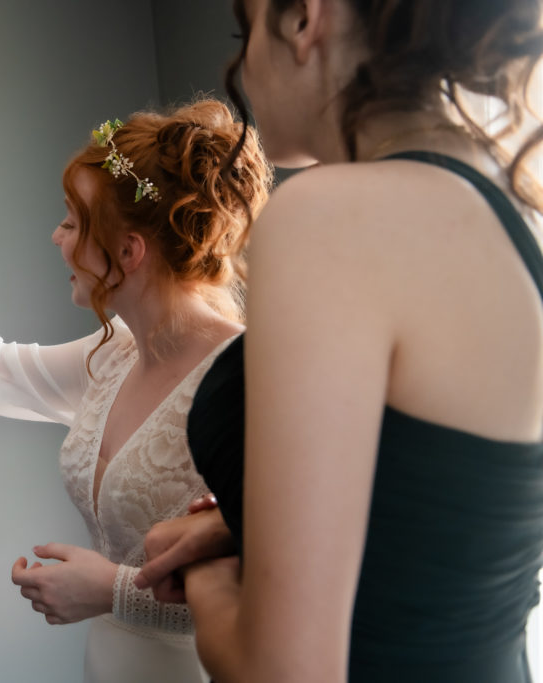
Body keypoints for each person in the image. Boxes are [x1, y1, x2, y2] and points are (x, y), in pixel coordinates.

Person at [135, 1, 543, 681]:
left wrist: (210, 574)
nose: (238, 67)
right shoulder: (516, 212)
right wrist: (236, 526)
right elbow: (448, 521)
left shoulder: (330, 216)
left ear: (304, 19)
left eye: (245, 30)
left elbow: (283, 671)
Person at [0, 98, 271, 682]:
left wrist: (114, 591)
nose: (56, 237)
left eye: (73, 223)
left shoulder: (246, 377)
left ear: (128, 252)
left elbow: (278, 585)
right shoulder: (111, 355)